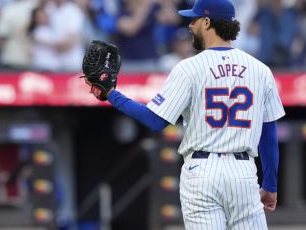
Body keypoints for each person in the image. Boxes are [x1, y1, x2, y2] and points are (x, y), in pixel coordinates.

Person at [85, 0, 285, 228]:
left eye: (194, 19)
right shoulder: (260, 70)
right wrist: (270, 185)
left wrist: (111, 94)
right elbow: (268, 133)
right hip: (243, 172)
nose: (190, 25)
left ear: (207, 22)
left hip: (202, 171)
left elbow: (155, 120)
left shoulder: (189, 67)